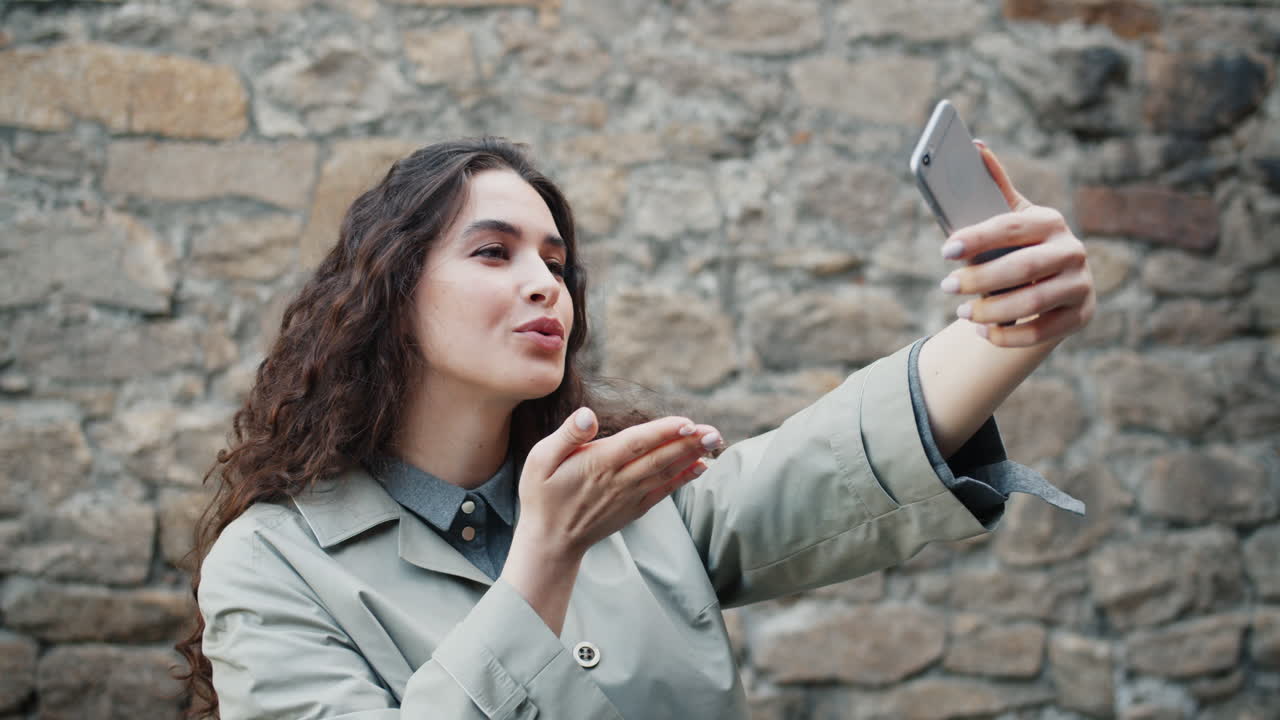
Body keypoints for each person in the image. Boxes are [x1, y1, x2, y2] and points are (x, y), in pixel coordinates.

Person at [178, 136, 1094, 719]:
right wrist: (541, 562)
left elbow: (832, 461)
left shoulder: (639, 497)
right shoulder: (272, 566)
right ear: (386, 293)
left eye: (556, 261)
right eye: (493, 252)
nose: (546, 284)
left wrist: (1008, 329)